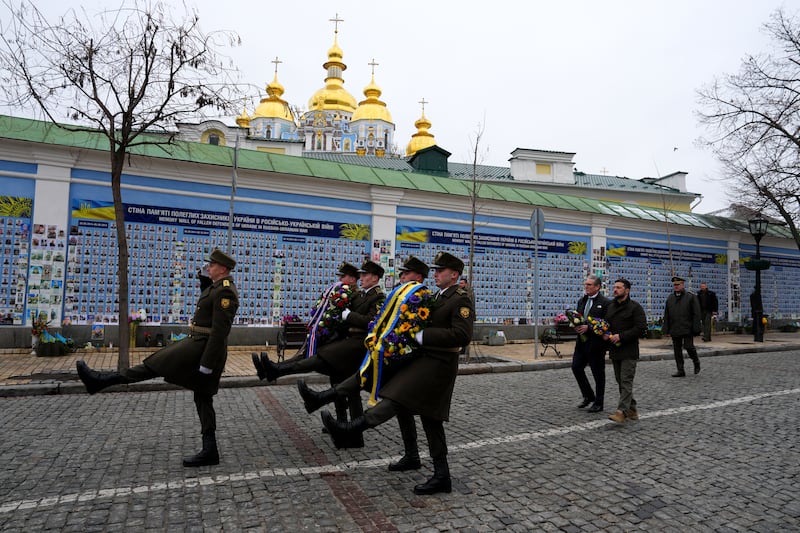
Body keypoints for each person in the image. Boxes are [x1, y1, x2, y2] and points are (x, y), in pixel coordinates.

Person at [296, 251, 474, 495]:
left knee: (399, 400)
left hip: (439, 366)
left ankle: (349, 428)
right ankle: (425, 464)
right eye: (434, 270)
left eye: (440, 270)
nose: (436, 274)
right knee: (416, 410)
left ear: (454, 274)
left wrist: (422, 336)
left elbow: (462, 336)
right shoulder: (437, 296)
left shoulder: (460, 299)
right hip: (423, 360)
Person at [75, 249, 239, 467]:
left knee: (155, 364)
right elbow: (207, 308)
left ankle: (102, 381)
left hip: (203, 349)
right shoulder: (217, 288)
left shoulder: (226, 292)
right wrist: (204, 282)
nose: (209, 266)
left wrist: (207, 364)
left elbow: (219, 331)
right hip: (197, 345)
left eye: (213, 264)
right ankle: (210, 450)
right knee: (202, 395)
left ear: (224, 269)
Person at [252, 260, 385, 436]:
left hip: (359, 345)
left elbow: (372, 322)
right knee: (344, 384)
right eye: (360, 274)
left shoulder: (378, 297)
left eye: (365, 274)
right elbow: (340, 312)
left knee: (322, 359)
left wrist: (348, 315)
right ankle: (348, 428)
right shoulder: (359, 295)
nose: (362, 277)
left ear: (375, 277)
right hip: (347, 342)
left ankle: (275, 370)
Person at [603, 278, 647, 423]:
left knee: (626, 381)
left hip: (629, 350)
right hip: (615, 351)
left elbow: (641, 328)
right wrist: (605, 333)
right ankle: (632, 409)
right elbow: (607, 324)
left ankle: (621, 411)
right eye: (614, 287)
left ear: (627, 290)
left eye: (619, 288)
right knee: (620, 381)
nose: (615, 290)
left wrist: (621, 336)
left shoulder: (635, 308)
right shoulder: (610, 307)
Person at [572, 274, 611, 413]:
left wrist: (589, 327)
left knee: (598, 373)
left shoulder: (605, 303)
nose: (586, 287)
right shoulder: (582, 301)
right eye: (586, 284)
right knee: (576, 367)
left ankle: (599, 402)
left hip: (596, 344)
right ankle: (589, 396)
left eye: (589, 285)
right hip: (582, 342)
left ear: (597, 287)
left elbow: (606, 323)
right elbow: (579, 317)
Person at [662, 276, 702, 377]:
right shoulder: (670, 298)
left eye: (678, 285)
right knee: (677, 350)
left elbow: (696, 314)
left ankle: (696, 361)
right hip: (675, 328)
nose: (676, 287)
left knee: (689, 347)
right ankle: (680, 370)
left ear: (683, 285)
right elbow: (666, 314)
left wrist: (696, 329)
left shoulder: (691, 297)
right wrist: (666, 329)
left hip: (687, 327)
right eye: (674, 285)